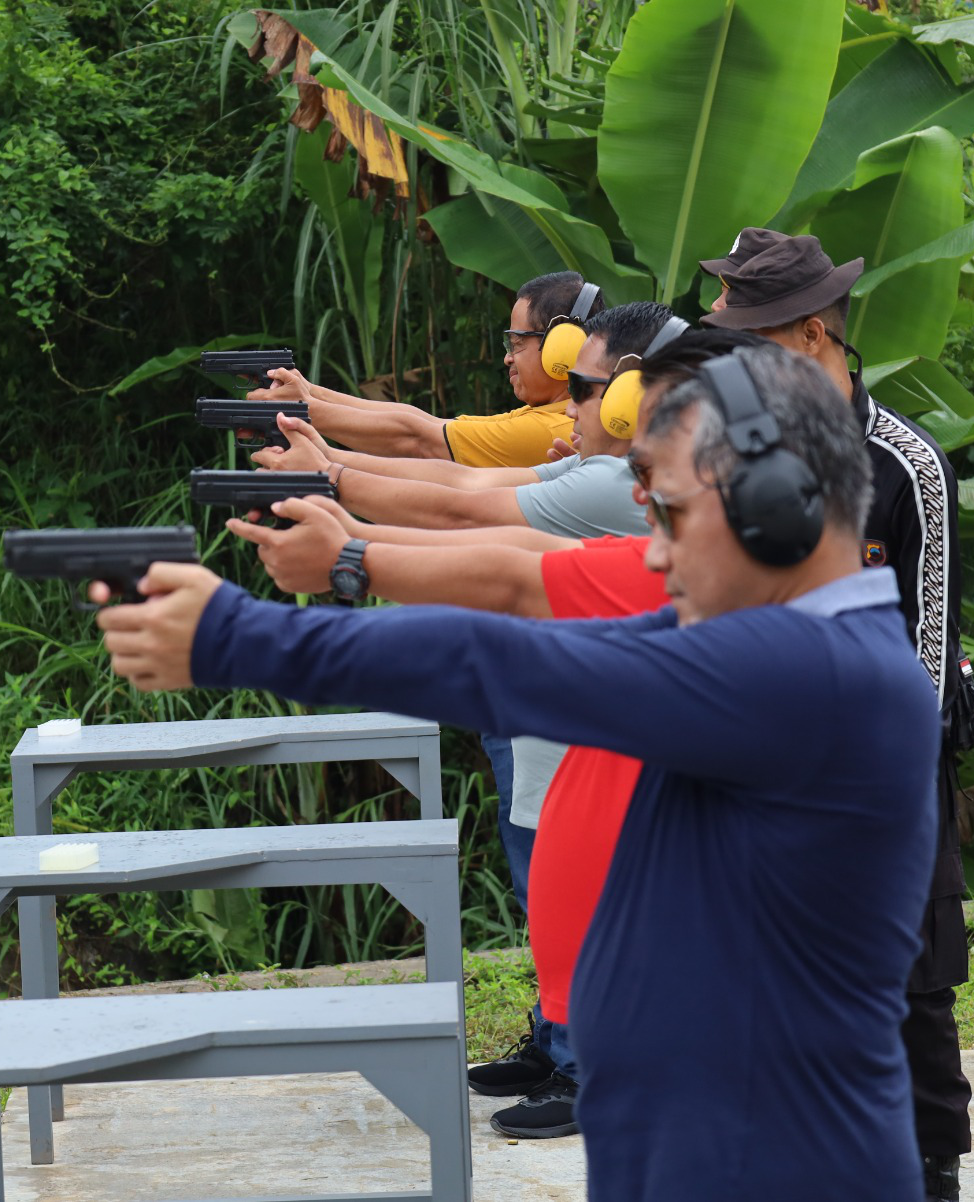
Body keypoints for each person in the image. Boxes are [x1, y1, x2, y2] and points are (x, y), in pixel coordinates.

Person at [93, 343, 941, 1201]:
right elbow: (516, 631)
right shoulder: (787, 649)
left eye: (673, 515)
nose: (653, 555)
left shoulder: (809, 675)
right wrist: (348, 556)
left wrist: (235, 636)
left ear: (777, 507)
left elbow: (495, 664)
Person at [244, 301, 680, 1139]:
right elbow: (466, 498)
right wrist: (339, 495)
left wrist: (346, 533)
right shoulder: (607, 473)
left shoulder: (615, 484)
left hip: (583, 730)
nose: (566, 401)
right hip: (553, 717)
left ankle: (589, 1063)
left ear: (634, 399)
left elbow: (470, 517)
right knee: (549, 891)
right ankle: (566, 1049)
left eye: (583, 388)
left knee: (582, 900)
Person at [703, 231, 974, 1202]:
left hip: (891, 788)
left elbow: (930, 653)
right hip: (777, 785)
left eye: (754, 343)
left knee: (910, 1000)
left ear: (813, 333)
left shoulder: (905, 466)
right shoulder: (742, 454)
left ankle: (932, 1173)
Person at [249, 302, 671, 540]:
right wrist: (320, 444)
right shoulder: (595, 453)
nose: (571, 407)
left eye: (518, 343)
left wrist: (327, 474)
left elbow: (454, 498)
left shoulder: (605, 469)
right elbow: (459, 479)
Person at [244, 272, 602, 466]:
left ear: (564, 346)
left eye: (517, 343)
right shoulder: (548, 413)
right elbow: (426, 425)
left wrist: (300, 412)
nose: (508, 356)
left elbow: (417, 439)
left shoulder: (558, 428)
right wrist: (308, 393)